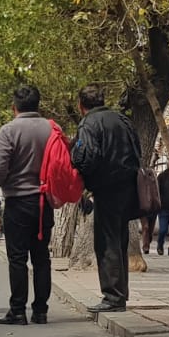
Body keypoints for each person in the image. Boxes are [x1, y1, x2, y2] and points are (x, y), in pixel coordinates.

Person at [71, 84, 142, 313]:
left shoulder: (89, 123)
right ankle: (119, 294)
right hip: (128, 187)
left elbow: (87, 157)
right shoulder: (122, 120)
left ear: (81, 106)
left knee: (107, 242)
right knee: (119, 241)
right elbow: (137, 150)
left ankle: (113, 297)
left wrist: (84, 181)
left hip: (107, 188)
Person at [0, 85, 55, 326]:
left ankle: (18, 310)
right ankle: (41, 310)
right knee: (41, 258)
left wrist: (7, 183)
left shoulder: (9, 130)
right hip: (43, 201)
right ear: (39, 105)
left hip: (18, 201)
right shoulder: (51, 129)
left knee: (17, 258)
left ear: (14, 107)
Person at [154, 162, 169, 256]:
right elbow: (156, 190)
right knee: (163, 230)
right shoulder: (162, 176)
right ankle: (160, 244)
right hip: (164, 208)